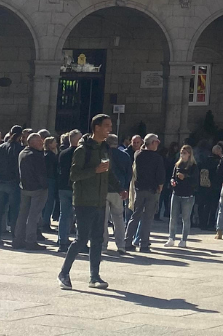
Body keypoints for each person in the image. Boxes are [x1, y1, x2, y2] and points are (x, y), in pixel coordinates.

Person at [58, 114, 119, 290]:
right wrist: (95, 170)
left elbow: (108, 172)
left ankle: (94, 276)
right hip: (84, 200)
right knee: (81, 239)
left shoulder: (105, 149)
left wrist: (120, 187)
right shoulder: (82, 150)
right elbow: (74, 175)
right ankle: (64, 273)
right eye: (106, 125)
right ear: (97, 127)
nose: (110, 128)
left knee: (97, 239)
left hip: (100, 200)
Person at [126, 134, 165, 253]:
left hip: (139, 189)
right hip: (152, 190)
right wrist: (160, 187)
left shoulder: (138, 155)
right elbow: (160, 176)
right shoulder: (157, 158)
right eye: (156, 142)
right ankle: (144, 245)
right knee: (147, 218)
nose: (158, 144)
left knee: (135, 216)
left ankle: (127, 242)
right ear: (152, 143)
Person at [14, 133, 48, 250]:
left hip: (25, 187)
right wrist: (45, 186)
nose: (42, 143)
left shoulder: (22, 153)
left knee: (23, 215)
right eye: (39, 142)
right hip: (37, 189)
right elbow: (41, 173)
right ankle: (30, 240)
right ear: (32, 143)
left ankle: (18, 239)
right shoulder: (36, 155)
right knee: (33, 216)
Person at [0, 126, 24, 244]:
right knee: (15, 211)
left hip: (1, 181)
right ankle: (16, 237)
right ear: (21, 136)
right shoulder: (20, 149)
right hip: (14, 182)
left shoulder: (1, 147)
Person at [166, 145, 198, 248]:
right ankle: (171, 238)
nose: (182, 155)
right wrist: (172, 181)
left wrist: (185, 177)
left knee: (185, 218)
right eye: (181, 153)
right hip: (176, 193)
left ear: (189, 154)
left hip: (187, 195)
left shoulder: (193, 166)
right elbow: (172, 176)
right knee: (173, 217)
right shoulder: (177, 165)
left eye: (184, 153)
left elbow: (195, 181)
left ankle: (183, 240)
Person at [56, 131, 80, 252]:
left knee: (64, 215)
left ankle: (62, 241)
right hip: (75, 187)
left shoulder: (62, 153)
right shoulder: (80, 153)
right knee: (80, 215)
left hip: (63, 186)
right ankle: (80, 242)